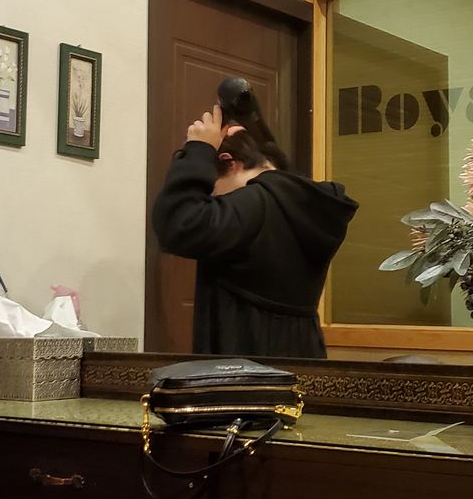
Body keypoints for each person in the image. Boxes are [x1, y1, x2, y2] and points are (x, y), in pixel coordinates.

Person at [152, 104, 358, 359]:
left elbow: (178, 224)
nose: (214, 199)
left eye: (212, 189)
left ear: (230, 163)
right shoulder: (301, 203)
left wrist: (199, 149)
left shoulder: (253, 206)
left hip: (248, 361)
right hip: (305, 354)